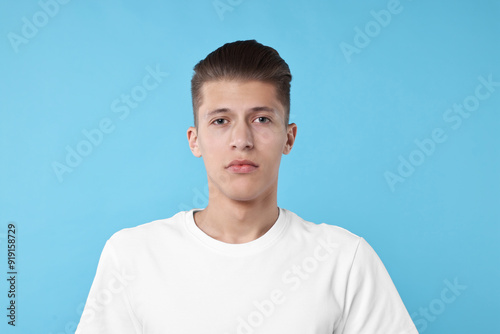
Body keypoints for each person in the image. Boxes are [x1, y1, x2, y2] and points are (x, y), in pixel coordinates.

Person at [75, 40, 418, 333]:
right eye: (221, 121)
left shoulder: (345, 260)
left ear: (289, 137)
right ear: (195, 140)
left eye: (262, 119)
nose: (241, 140)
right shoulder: (132, 255)